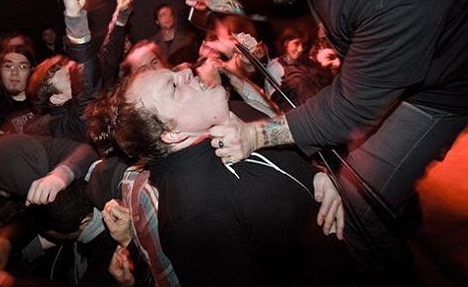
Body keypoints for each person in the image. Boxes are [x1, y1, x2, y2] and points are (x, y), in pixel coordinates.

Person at [184, 0, 468, 284]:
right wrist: (228, 2)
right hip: (396, 65)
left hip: (445, 90)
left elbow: (351, 109)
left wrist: (255, 135)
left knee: (359, 198)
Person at [87, 68, 351, 286]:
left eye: (175, 74)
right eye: (175, 88)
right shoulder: (194, 213)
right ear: (172, 134)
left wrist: (317, 176)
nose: (187, 71)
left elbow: (293, 160)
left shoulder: (233, 113)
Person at [0, 45, 37, 147]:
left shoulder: (47, 101)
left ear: (31, 71)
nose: (14, 73)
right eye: (8, 66)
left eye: (22, 67)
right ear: (0, 71)